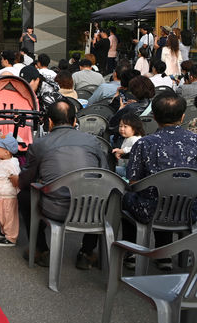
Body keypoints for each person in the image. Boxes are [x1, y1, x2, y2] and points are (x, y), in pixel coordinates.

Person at [18, 101, 109, 269]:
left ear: (50, 122)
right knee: (103, 196)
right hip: (92, 208)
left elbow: (26, 180)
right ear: (75, 121)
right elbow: (105, 173)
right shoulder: (93, 141)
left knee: (24, 196)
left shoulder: (40, 144)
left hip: (56, 209)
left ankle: (41, 249)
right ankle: (87, 252)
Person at [122, 92, 197, 270]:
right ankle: (165, 253)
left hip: (150, 210)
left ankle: (131, 252)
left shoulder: (145, 144)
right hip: (190, 210)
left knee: (125, 195)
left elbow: (133, 182)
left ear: (154, 116)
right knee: (170, 196)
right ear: (183, 116)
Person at [0, 133, 21, 247]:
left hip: (8, 196)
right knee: (1, 215)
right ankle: (4, 231)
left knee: (9, 217)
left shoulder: (12, 163)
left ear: (7, 152)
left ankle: (11, 237)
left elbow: (16, 177)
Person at [112, 113, 145, 179]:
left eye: (125, 126)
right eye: (120, 126)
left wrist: (122, 151)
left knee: (111, 170)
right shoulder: (128, 138)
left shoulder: (135, 139)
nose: (122, 129)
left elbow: (136, 147)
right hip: (127, 167)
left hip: (133, 172)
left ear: (135, 128)